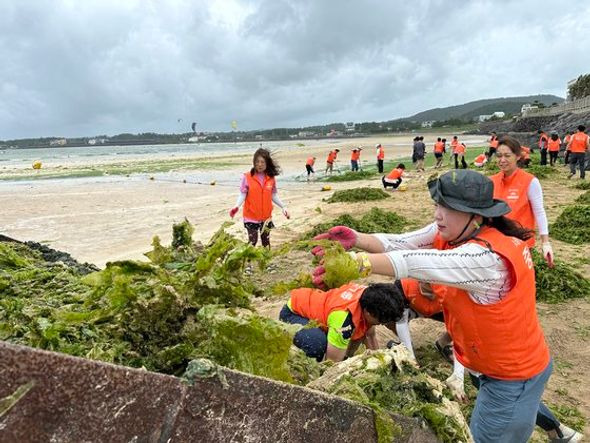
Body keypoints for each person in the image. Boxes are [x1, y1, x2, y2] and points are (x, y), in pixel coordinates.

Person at [311, 169, 555, 442]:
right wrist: (356, 238)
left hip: (512, 373)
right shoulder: (458, 231)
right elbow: (402, 242)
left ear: (477, 216)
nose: (438, 214)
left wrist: (357, 263)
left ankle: (555, 429)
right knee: (518, 409)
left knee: (493, 429)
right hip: (491, 365)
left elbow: (417, 261)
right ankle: (556, 429)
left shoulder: (487, 257)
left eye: (448, 207)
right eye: (437, 204)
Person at [279, 282, 405, 362]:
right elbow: (332, 362)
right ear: (368, 312)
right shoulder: (345, 322)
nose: (383, 324)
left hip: (322, 309)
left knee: (354, 339)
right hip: (294, 314)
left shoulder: (370, 295)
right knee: (317, 346)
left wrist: (380, 361)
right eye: (382, 321)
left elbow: (369, 335)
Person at [490, 136, 553, 265]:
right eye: (499, 155)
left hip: (521, 243)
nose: (502, 160)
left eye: (507, 156)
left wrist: (545, 243)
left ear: (518, 156)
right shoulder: (491, 181)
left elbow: (539, 212)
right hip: (496, 242)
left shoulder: (530, 181)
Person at [229, 148, 289, 247]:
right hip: (251, 216)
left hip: (266, 217)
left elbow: (273, 195)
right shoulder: (247, 177)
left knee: (266, 242)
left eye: (262, 162)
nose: (260, 164)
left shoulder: (271, 178)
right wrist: (236, 206)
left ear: (267, 163)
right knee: (252, 242)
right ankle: (248, 261)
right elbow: (242, 194)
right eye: (257, 162)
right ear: (254, 162)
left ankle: (265, 261)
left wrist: (283, 207)